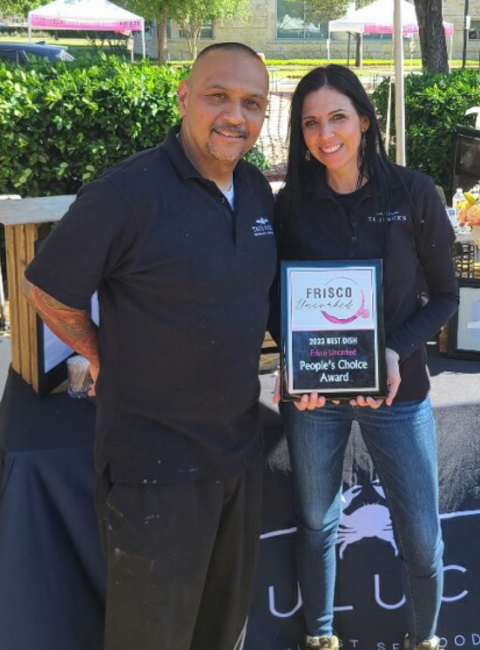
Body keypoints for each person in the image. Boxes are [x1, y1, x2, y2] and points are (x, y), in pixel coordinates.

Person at [21, 42, 275, 650]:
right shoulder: (125, 192)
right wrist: (101, 351)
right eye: (218, 96)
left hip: (239, 455)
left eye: (252, 103)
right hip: (153, 466)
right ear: (184, 96)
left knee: (223, 632)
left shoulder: (258, 190)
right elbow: (47, 290)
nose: (235, 115)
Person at [273, 65, 459, 650]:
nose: (325, 134)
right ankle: (320, 638)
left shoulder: (413, 193)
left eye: (337, 118)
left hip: (400, 395)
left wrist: (394, 349)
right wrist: (290, 358)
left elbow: (447, 296)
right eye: (310, 122)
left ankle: (422, 640)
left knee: (422, 539)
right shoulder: (290, 205)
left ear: (365, 121)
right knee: (315, 523)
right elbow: (272, 299)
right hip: (315, 396)